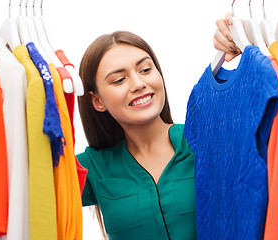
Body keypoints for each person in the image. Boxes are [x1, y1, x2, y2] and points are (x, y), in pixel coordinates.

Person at [76, 31, 196, 240]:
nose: (139, 84)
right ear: (97, 101)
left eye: (145, 70)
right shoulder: (93, 166)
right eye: (119, 80)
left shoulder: (203, 141)